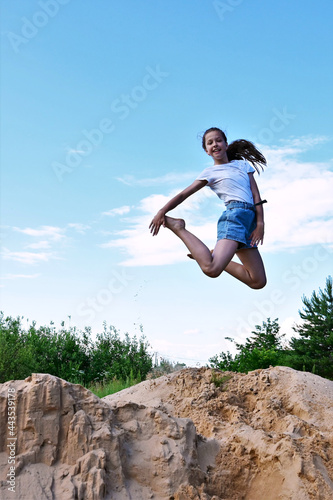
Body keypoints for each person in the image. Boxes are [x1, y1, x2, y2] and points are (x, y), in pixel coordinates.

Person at [149, 127, 267, 289]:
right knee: (211, 269)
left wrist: (260, 224)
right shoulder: (210, 173)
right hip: (235, 218)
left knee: (258, 281)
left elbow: (256, 196)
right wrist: (163, 211)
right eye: (210, 143)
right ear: (207, 151)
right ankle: (178, 227)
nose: (215, 144)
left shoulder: (242, 166)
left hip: (250, 223)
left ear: (226, 144)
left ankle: (215, 254)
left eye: (218, 140)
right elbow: (184, 194)